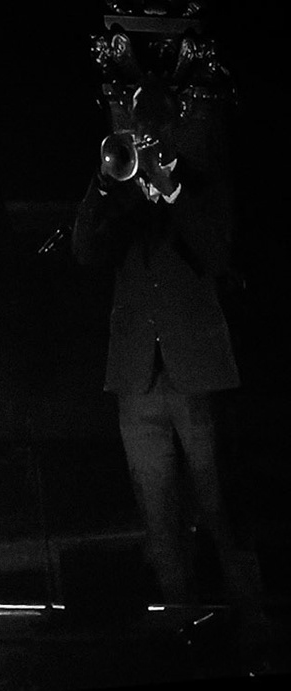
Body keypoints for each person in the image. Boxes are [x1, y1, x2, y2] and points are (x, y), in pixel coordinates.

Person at [70, 82, 269, 624]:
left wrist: (174, 193)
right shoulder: (123, 193)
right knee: (157, 513)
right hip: (137, 379)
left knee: (220, 504)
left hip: (199, 375)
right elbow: (85, 250)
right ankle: (181, 623)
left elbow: (214, 252)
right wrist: (103, 184)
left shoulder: (201, 186)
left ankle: (254, 623)